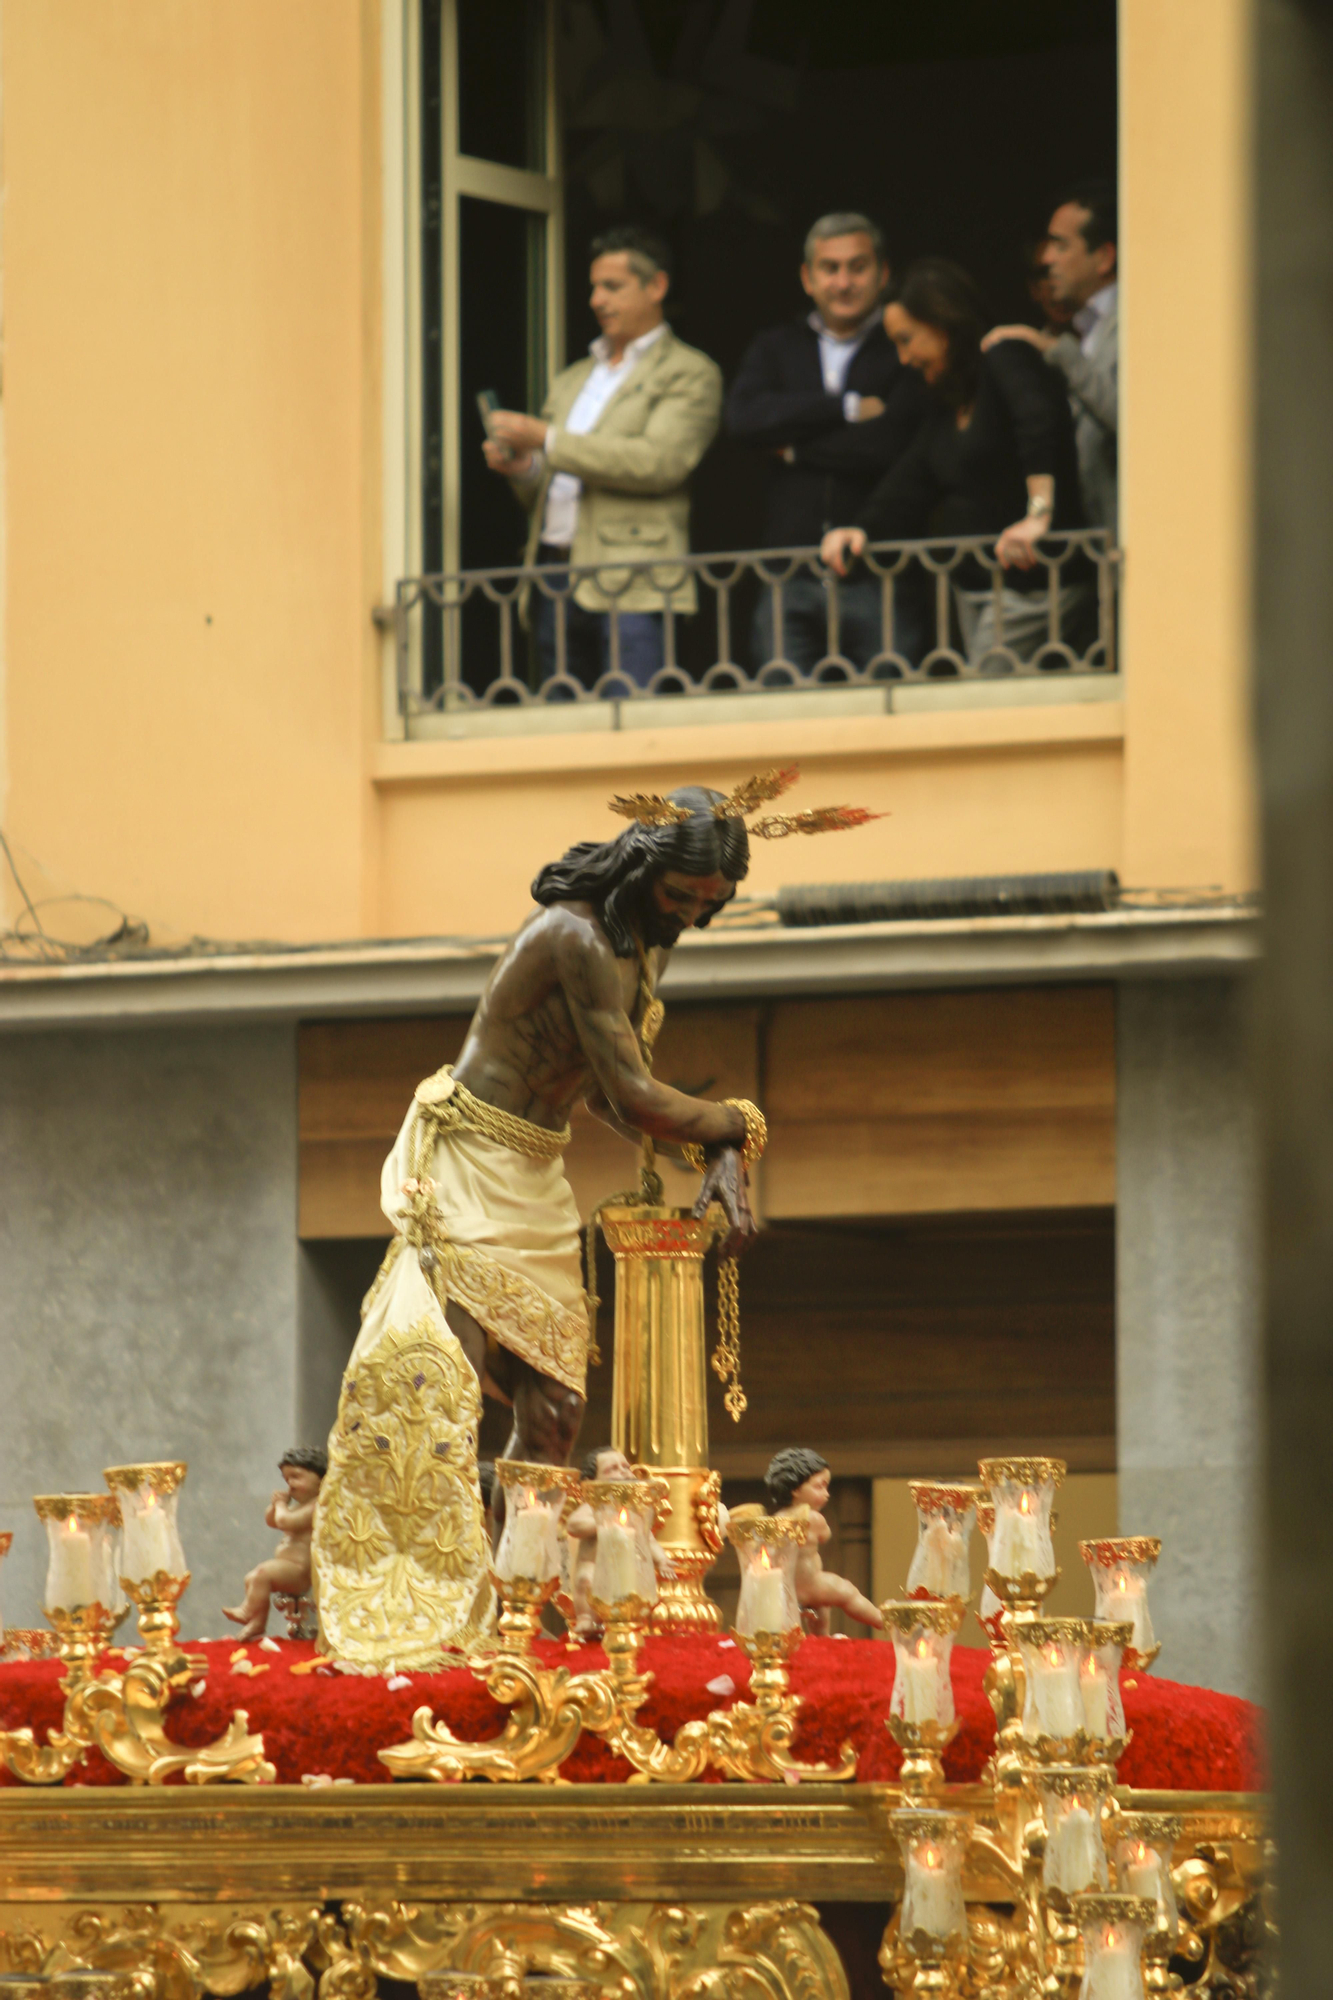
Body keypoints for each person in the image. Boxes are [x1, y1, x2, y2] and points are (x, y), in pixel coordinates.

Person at [311, 770, 874, 1662]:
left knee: (558, 1409)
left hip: (537, 1165)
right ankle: (425, 1598)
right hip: (468, 1158)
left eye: (711, 902)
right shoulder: (575, 935)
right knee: (447, 1387)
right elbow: (633, 1092)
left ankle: (515, 1601)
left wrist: (712, 1149)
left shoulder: (645, 937)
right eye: (683, 894)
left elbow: (613, 1100)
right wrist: (736, 1126)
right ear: (644, 866)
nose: (693, 913)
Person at [484, 226, 722, 695]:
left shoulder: (689, 371)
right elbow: (549, 485)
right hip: (555, 570)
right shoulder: (575, 377)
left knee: (632, 726)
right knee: (564, 729)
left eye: (612, 287)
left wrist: (548, 438)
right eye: (594, 287)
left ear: (657, 287)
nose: (596, 300)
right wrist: (524, 467)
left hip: (632, 579)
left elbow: (660, 463)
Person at [820, 258, 1088, 674]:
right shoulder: (951, 400)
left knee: (985, 697)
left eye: (907, 339)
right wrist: (863, 527)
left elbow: (1039, 420)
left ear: (942, 324)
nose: (904, 357)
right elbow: (913, 476)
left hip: (1033, 584)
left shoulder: (1003, 356)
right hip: (979, 587)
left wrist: (1039, 513)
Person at [725, 212, 929, 673]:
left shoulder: (903, 345)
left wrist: (796, 449)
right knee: (783, 720)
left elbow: (894, 444)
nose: (843, 282)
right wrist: (846, 409)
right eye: (829, 268)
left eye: (857, 267)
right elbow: (743, 420)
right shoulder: (774, 346)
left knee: (890, 715)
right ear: (807, 277)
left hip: (882, 570)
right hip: (788, 571)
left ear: (883, 273)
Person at [984, 181, 1118, 531]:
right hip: (1091, 551)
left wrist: (1054, 349)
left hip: (1135, 543)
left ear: (1104, 257)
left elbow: (1136, 424)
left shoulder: (1138, 325)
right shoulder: (1085, 328)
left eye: (1060, 245)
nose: (1046, 258)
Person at [762, 1447, 883, 1634]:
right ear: (795, 1490)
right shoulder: (813, 1519)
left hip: (784, 1586)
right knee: (846, 1591)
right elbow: (825, 1536)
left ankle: (821, 1638)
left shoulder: (777, 1518)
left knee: (822, 1606)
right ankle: (881, 1620)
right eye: (819, 1487)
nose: (826, 1494)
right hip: (809, 1583)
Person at [223, 1447, 326, 1641]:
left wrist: (280, 1506)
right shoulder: (298, 1506)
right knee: (251, 1578)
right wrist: (275, 1506)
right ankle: (257, 1622)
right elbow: (271, 1521)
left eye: (296, 1477)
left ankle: (248, 1611)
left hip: (300, 1570)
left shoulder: (318, 1505)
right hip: (288, 1565)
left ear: (320, 1479)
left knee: (261, 1575)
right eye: (287, 1479)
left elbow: (285, 1522)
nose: (291, 1484)